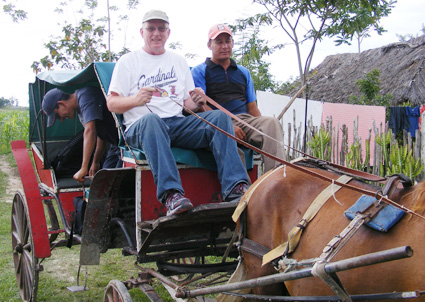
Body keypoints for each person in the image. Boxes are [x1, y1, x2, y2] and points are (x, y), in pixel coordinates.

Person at [106, 10, 250, 216]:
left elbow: (187, 106)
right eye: (151, 28)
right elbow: (111, 103)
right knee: (152, 120)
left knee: (219, 117)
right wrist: (135, 100)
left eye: (161, 29)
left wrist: (198, 99)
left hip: (176, 124)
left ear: (168, 32)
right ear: (142, 32)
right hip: (141, 127)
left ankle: (236, 188)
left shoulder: (178, 61)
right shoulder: (128, 62)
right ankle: (172, 195)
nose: (156, 33)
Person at [191, 24, 286, 172]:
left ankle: (277, 179)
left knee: (271, 123)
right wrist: (227, 125)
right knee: (233, 148)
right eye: (219, 42)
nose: (225, 46)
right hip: (216, 122)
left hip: (244, 120)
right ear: (209, 45)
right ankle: (243, 191)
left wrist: (260, 131)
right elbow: (200, 106)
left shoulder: (243, 72)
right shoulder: (199, 71)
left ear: (233, 43)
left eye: (228, 41)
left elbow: (252, 108)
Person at [42, 87, 120, 182]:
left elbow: (90, 130)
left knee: (116, 182)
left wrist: (84, 168)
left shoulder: (85, 95)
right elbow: (101, 134)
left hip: (124, 144)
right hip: (115, 145)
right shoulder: (80, 109)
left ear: (61, 104)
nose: (62, 119)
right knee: (104, 181)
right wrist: (95, 161)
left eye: (58, 116)